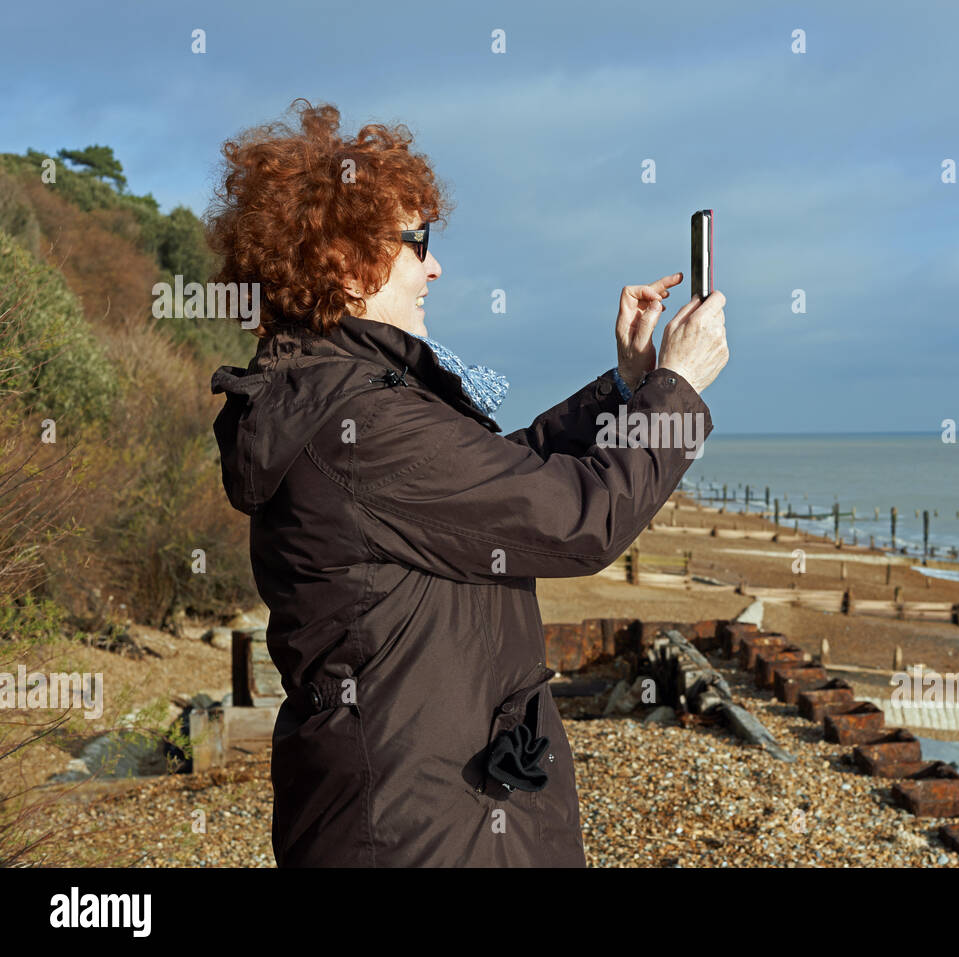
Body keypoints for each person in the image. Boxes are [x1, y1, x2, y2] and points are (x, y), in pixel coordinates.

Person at [208, 101, 727, 866]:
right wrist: (677, 389)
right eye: (417, 242)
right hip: (421, 829)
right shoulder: (355, 420)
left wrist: (626, 387)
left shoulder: (336, 400)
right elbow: (572, 517)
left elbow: (494, 485)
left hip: (417, 810)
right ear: (347, 264)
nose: (435, 265)